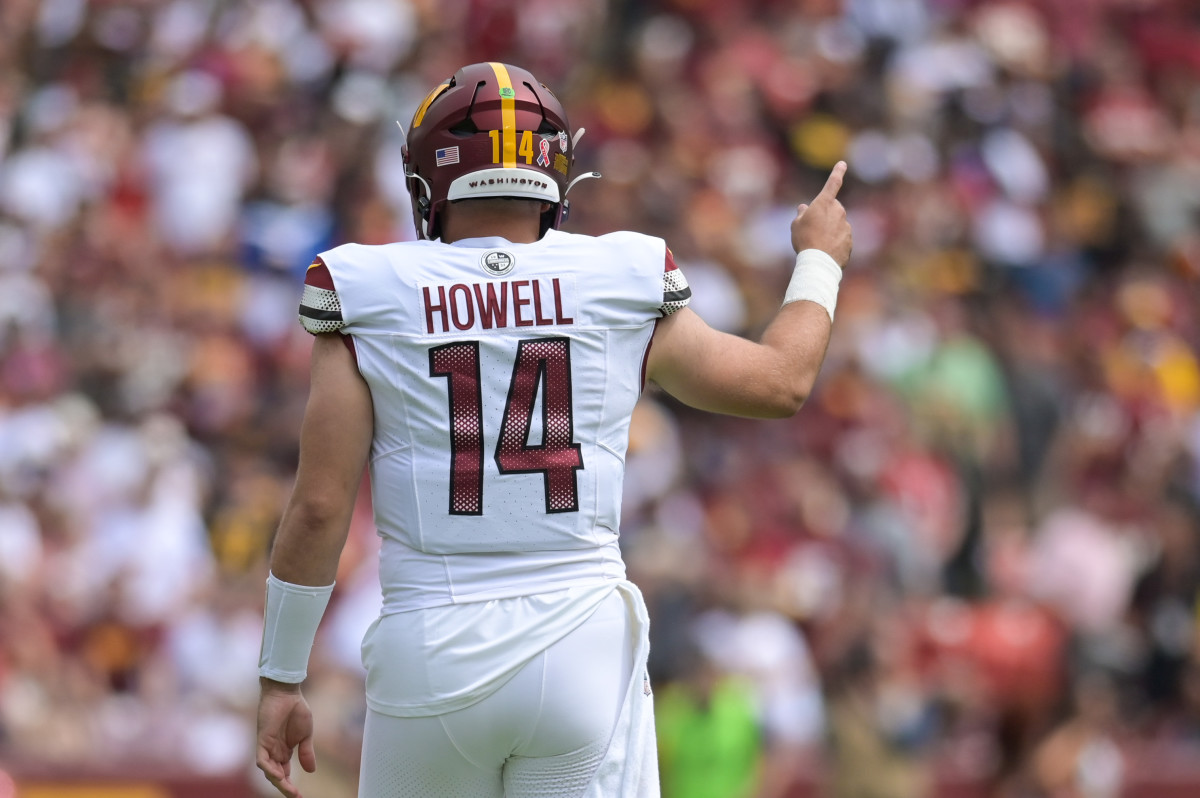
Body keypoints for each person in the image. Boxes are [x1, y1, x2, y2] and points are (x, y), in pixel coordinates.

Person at [254, 61, 852, 798]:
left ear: (427, 183)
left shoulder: (373, 289)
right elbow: (779, 383)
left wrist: (281, 676)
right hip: (580, 642)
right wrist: (819, 260)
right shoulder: (616, 276)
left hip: (432, 640)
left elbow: (319, 506)